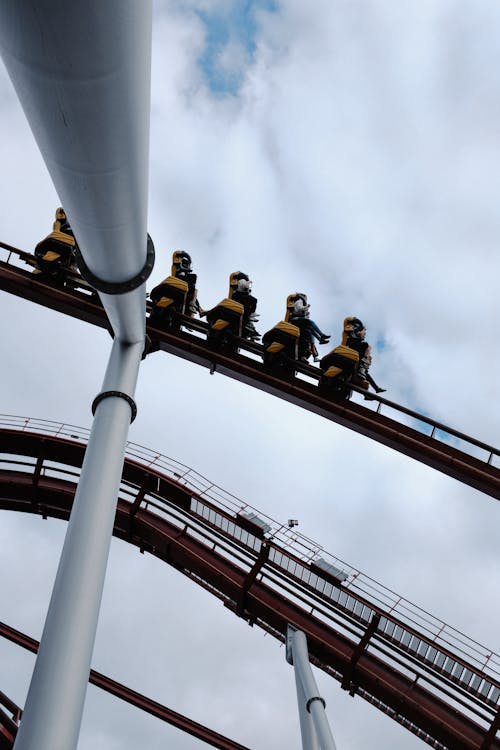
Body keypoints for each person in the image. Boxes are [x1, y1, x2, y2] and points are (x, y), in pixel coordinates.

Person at [344, 317, 385, 393]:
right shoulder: (352, 331)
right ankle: (362, 366)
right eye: (364, 333)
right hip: (352, 347)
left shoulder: (358, 338)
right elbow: (349, 330)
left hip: (356, 353)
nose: (364, 335)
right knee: (367, 346)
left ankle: (375, 388)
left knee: (365, 373)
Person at [287, 293, 330, 361]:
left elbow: (303, 313)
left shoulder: (301, 302)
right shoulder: (299, 300)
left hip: (299, 321)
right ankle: (321, 335)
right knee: (311, 323)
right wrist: (306, 307)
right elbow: (298, 309)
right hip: (294, 320)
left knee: (310, 330)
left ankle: (320, 339)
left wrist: (306, 313)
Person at [230, 272, 260, 341]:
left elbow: (253, 300)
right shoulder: (238, 292)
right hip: (239, 310)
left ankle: (250, 328)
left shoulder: (246, 294)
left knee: (250, 305)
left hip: (243, 313)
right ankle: (250, 327)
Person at [171, 250, 203, 316]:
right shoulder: (176, 268)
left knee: (195, 291)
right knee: (193, 277)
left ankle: (194, 307)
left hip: (184, 293)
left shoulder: (187, 276)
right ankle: (194, 307)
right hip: (176, 286)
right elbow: (176, 254)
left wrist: (199, 307)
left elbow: (191, 292)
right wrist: (186, 255)